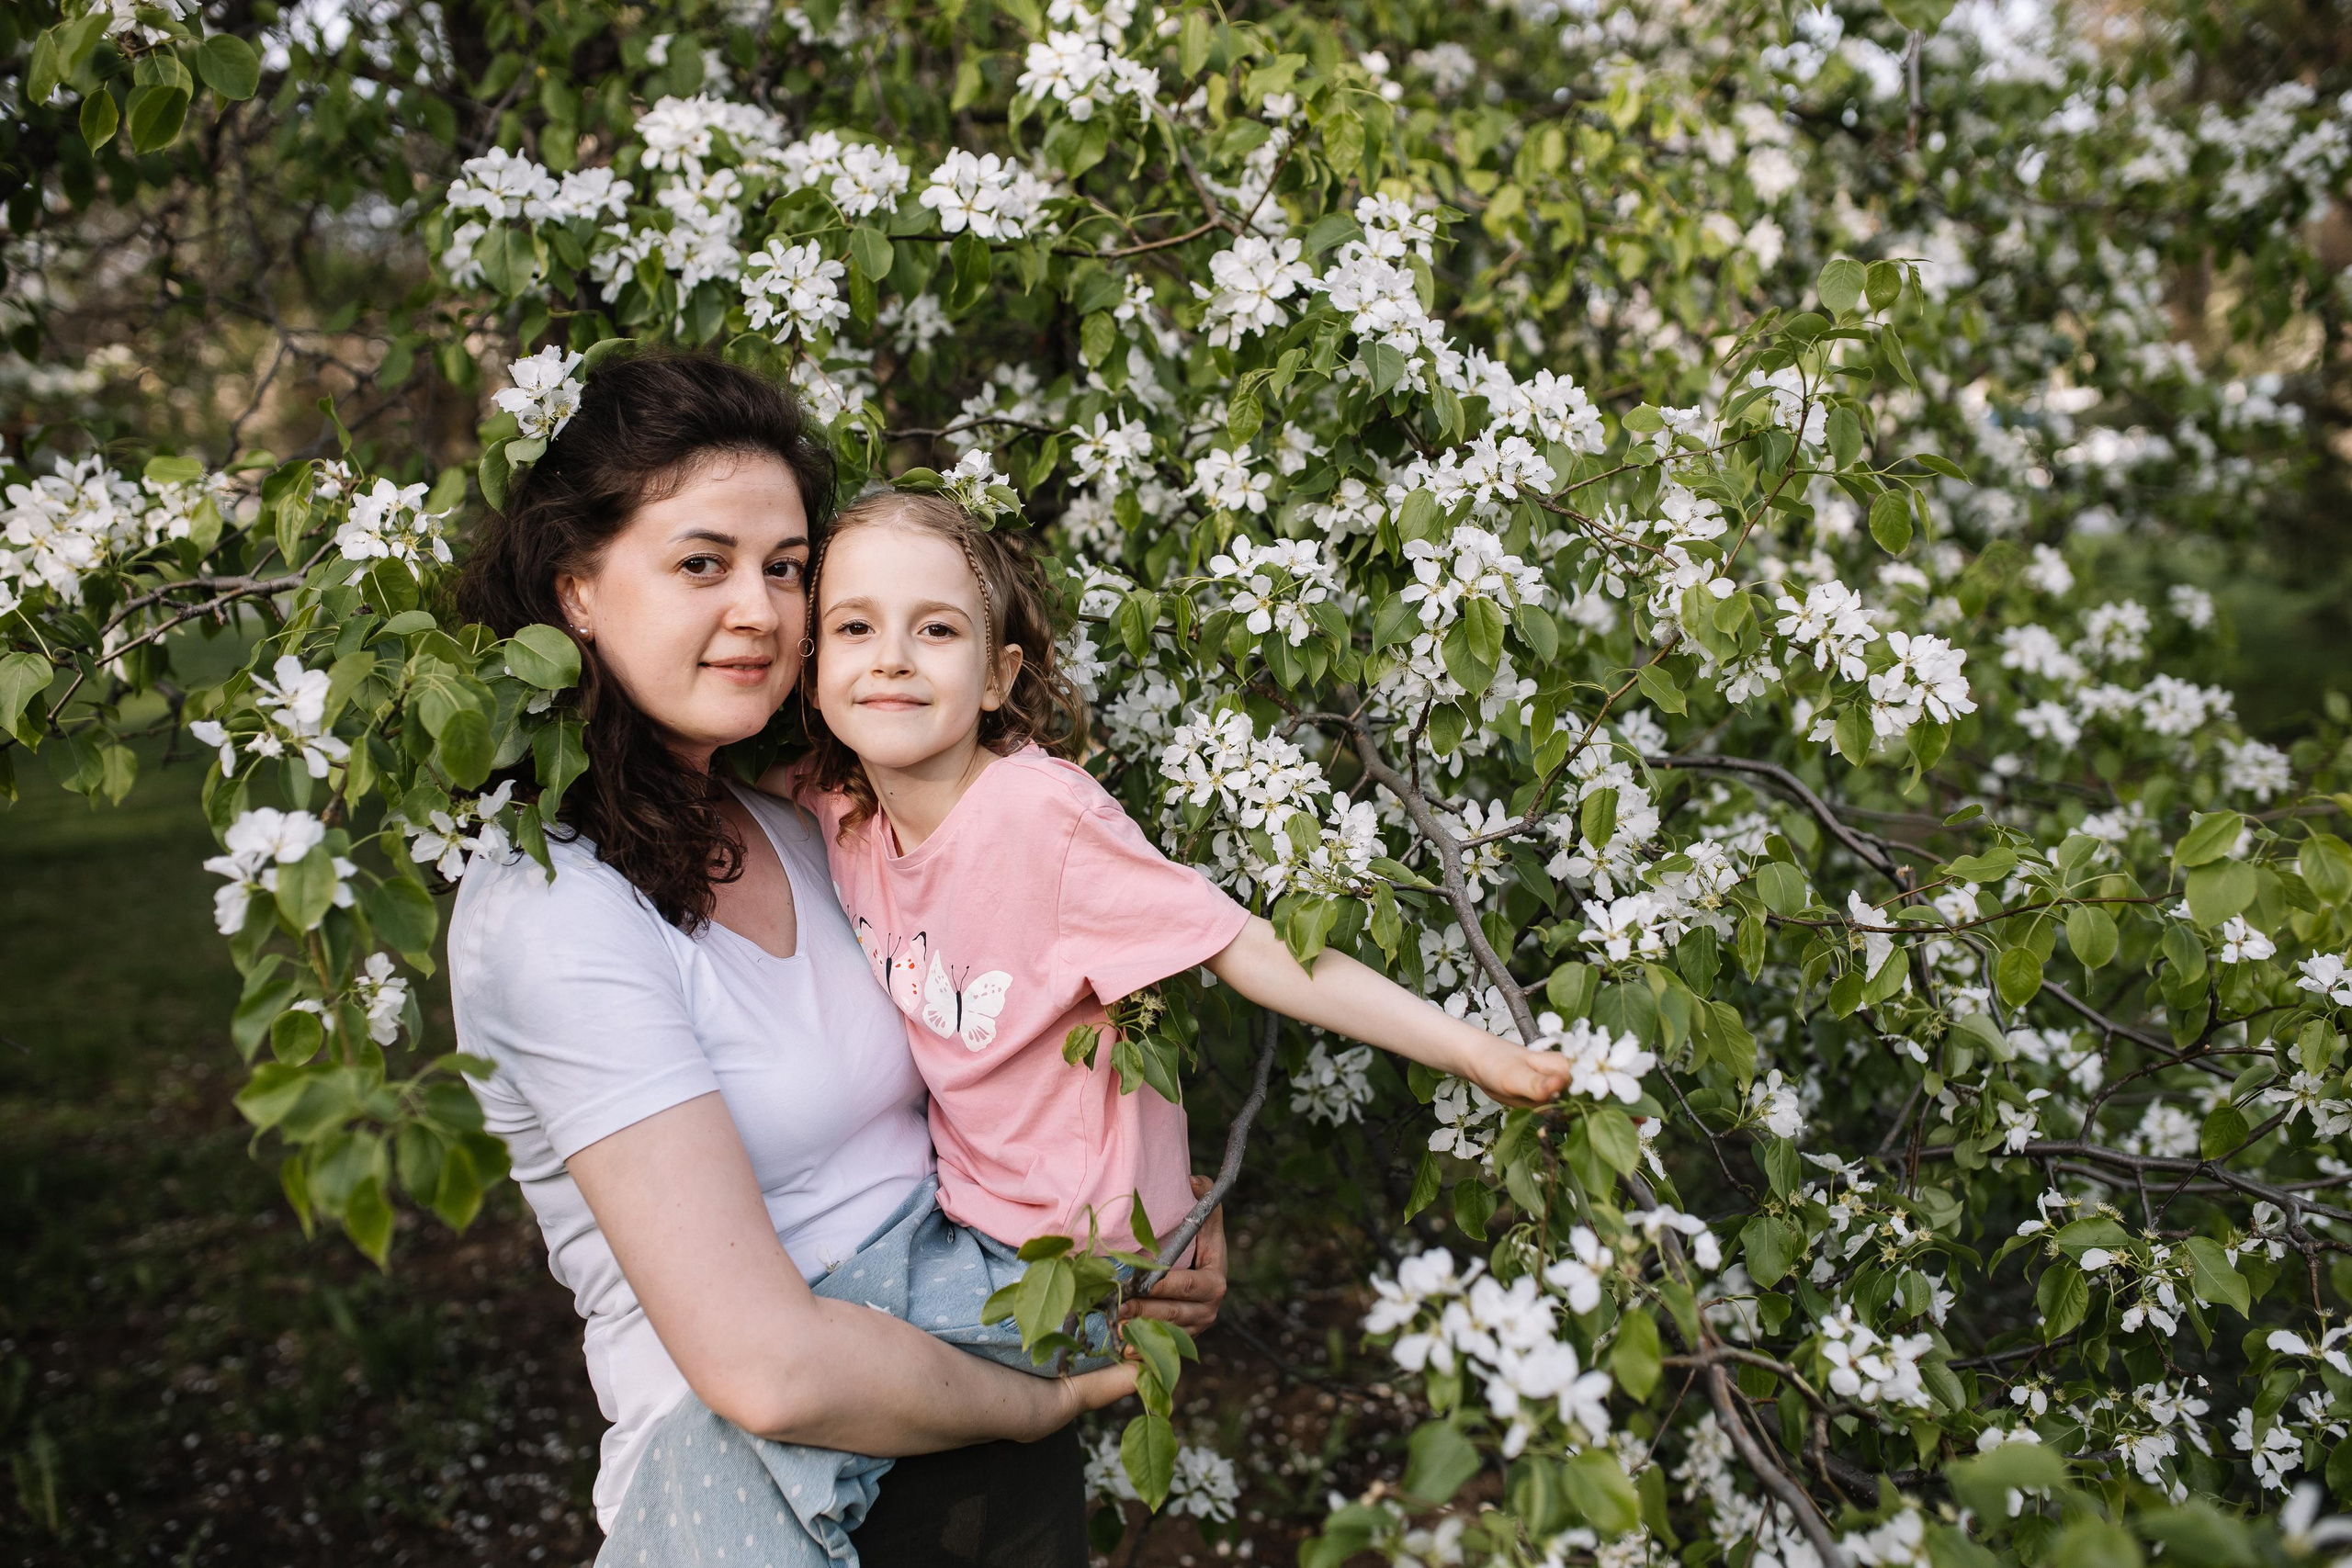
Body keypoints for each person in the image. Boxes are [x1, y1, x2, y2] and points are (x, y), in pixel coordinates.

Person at [444, 352, 1229, 1568]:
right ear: (579, 590)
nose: (759, 608)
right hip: (789, 1496)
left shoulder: (808, 819)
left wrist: (1147, 1213)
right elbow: (769, 1367)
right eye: (702, 562)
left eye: (789, 568)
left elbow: (1024, 1008)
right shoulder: (551, 909)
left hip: (984, 1434)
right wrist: (1045, 1395)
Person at [728, 486, 1583, 1547]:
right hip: (971, 1230)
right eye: (853, 628)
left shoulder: (1042, 819)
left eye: (936, 630)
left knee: (787, 1391)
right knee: (794, 1403)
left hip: (1070, 1263)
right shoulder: (836, 806)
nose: (892, 658)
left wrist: (1479, 1054)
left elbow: (1252, 951)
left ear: (998, 679)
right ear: (813, 667)